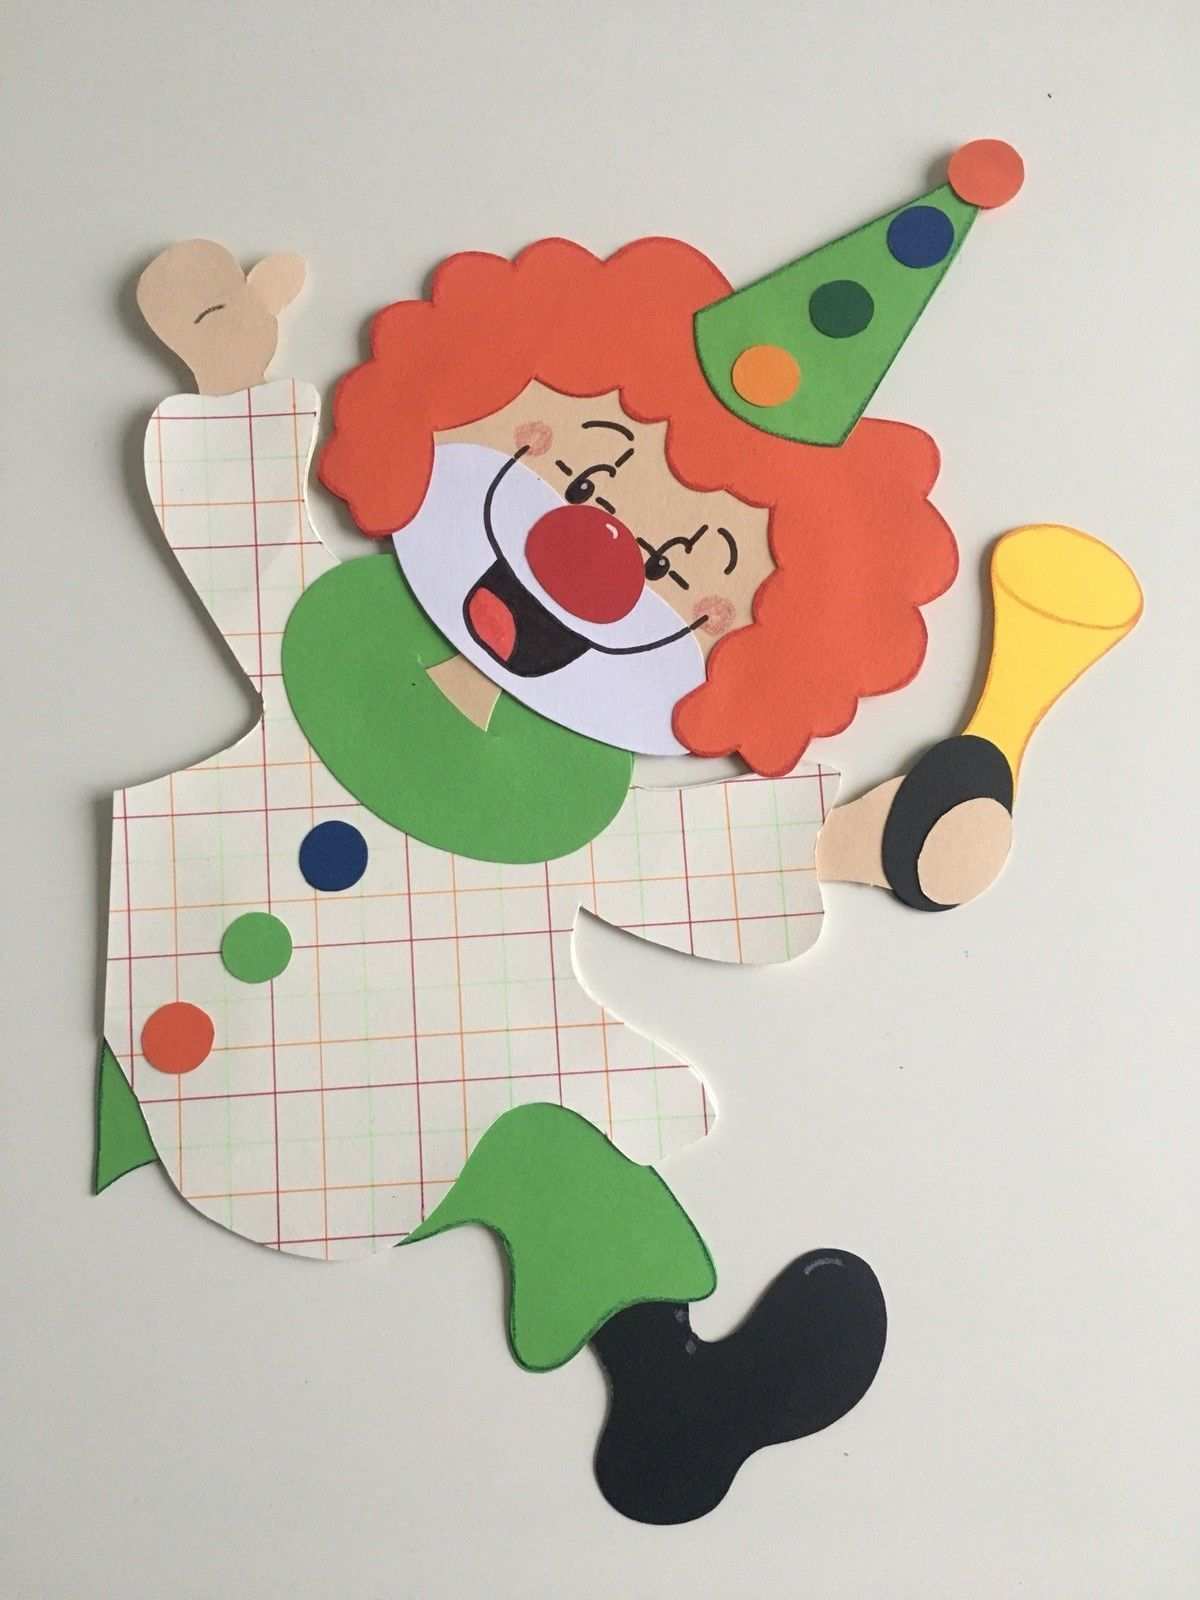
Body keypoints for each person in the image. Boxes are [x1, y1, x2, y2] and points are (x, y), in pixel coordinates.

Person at [102, 142, 1136, 1521]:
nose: (596, 554)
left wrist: (882, 841)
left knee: (554, 1145)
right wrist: (232, 378)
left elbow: (688, 865)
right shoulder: (330, 636)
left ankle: (670, 1391)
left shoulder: (579, 789)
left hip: (427, 1070)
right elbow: (244, 539)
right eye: (583, 476)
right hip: (178, 971)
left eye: (684, 558)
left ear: (742, 638)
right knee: (515, 1130)